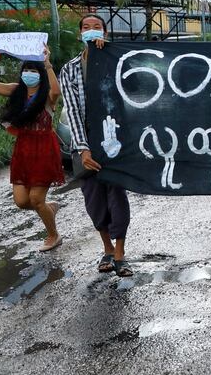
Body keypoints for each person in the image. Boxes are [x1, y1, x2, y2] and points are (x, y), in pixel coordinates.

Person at [59, 14, 133, 276]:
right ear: (80, 33)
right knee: (94, 199)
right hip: (84, 144)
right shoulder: (69, 70)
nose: (92, 31)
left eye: (97, 27)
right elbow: (73, 111)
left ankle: (120, 252)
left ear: (105, 32)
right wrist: (83, 148)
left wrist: (107, 55)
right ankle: (107, 248)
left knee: (117, 195)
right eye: (87, 28)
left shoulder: (117, 62)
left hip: (114, 140)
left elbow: (132, 92)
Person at [0, 45, 65, 252]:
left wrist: (47, 64)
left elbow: (57, 91)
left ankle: (53, 235)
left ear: (41, 74)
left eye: (34, 70)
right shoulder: (17, 90)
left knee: (36, 199)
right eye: (26, 70)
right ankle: (48, 208)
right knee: (21, 201)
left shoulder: (47, 95)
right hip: (23, 149)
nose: (29, 74)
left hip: (45, 149)